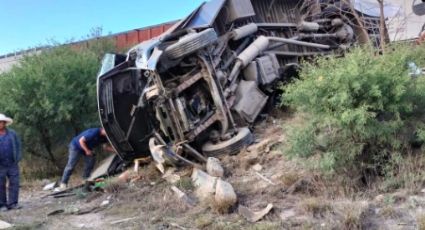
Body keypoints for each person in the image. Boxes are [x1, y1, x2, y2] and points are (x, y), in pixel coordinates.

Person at [0, 113, 22, 211]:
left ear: (5, 123)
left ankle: (13, 203)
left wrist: (18, 158)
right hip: (0, 165)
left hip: (12, 163)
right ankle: (2, 205)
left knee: (15, 183)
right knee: (0, 184)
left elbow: (18, 145)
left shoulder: (12, 133)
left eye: (1, 122)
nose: (0, 124)